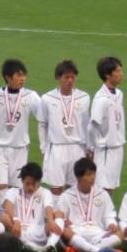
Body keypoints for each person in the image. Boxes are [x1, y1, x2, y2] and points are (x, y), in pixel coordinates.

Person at [0, 59, 40, 202]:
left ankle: (15, 219)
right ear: (8, 77)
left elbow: (43, 117)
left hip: (20, 148)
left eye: (24, 75)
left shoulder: (31, 96)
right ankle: (5, 221)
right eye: (18, 75)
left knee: (17, 186)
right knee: (1, 186)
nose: (22, 79)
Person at [38, 60, 90, 194]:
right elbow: (42, 124)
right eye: (66, 77)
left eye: (73, 77)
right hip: (57, 148)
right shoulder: (47, 98)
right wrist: (43, 148)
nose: (70, 80)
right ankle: (55, 215)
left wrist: (89, 148)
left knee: (74, 190)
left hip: (77, 148)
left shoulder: (84, 98)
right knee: (55, 189)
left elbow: (87, 125)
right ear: (58, 78)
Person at [55, 158, 121, 252]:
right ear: (78, 178)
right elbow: (60, 217)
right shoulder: (67, 195)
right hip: (76, 232)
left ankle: (85, 249)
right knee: (65, 232)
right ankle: (98, 251)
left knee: (121, 233)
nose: (92, 178)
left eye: (94, 174)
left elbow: (109, 215)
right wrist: (64, 222)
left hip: (98, 233)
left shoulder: (102, 194)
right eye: (88, 174)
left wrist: (111, 224)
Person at [5, 162, 60, 252]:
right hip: (18, 231)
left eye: (33, 184)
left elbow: (48, 207)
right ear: (22, 181)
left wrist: (51, 221)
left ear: (39, 181)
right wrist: (15, 220)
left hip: (38, 232)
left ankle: (49, 246)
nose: (30, 187)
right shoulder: (13, 191)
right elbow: (8, 206)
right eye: (27, 184)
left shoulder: (45, 192)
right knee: (4, 217)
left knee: (58, 218)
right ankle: (35, 248)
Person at [88, 56, 125, 193]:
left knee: (111, 188)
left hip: (118, 147)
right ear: (107, 75)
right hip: (105, 150)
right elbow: (92, 127)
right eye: (118, 71)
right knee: (102, 190)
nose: (122, 74)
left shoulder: (119, 94)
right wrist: (92, 147)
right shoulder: (101, 99)